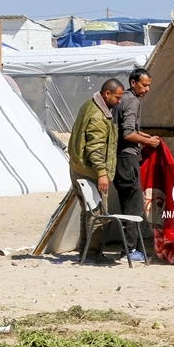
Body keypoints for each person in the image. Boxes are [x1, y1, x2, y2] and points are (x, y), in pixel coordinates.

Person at [68, 78, 123, 255]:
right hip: (90, 171)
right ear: (107, 94)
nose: (119, 101)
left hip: (78, 168)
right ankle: (92, 252)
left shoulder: (89, 105)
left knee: (87, 211)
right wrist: (102, 173)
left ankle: (85, 251)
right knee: (98, 214)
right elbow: (95, 148)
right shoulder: (99, 116)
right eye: (117, 97)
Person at [111, 68, 160, 262]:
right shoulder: (132, 101)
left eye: (149, 85)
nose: (147, 89)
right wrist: (149, 142)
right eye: (144, 85)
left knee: (127, 204)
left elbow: (126, 128)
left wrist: (144, 135)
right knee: (134, 206)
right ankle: (129, 251)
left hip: (118, 158)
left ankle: (131, 248)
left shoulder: (120, 100)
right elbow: (128, 133)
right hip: (127, 158)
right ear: (133, 83)